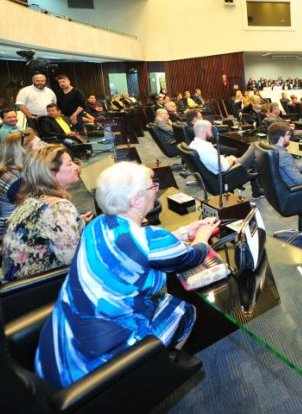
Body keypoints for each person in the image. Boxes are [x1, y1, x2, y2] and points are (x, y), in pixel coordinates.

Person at [35, 162, 217, 389]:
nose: (156, 189)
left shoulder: (96, 226)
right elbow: (193, 256)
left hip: (61, 352)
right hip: (99, 367)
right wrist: (202, 235)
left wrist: (183, 232)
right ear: (136, 201)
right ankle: (152, 372)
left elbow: (137, 246)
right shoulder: (150, 239)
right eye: (152, 186)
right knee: (184, 309)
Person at [0, 145, 91, 282]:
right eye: (69, 164)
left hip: (16, 280)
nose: (76, 167)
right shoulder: (58, 208)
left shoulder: (31, 199)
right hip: (40, 284)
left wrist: (76, 222)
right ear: (51, 173)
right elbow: (73, 260)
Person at [189, 120, 261, 197]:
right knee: (254, 146)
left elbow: (216, 161)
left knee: (252, 161)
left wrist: (227, 158)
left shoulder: (192, 145)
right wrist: (232, 160)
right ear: (203, 131)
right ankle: (257, 192)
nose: (211, 133)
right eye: (210, 130)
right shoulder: (205, 149)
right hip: (227, 175)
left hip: (219, 174)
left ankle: (257, 192)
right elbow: (223, 167)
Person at [0, 132, 27, 235]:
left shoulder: (10, 170)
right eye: (39, 144)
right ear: (24, 151)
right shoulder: (18, 180)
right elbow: (33, 209)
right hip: (8, 232)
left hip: (6, 225)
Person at [267, 121, 302, 187]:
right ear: (280, 137)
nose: (289, 137)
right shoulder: (284, 156)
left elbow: (291, 167)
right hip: (296, 189)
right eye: (288, 135)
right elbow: (298, 180)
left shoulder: (270, 150)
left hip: (281, 187)